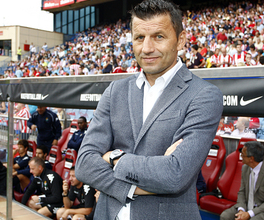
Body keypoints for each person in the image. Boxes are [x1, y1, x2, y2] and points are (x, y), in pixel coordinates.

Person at [75, 1, 223, 220]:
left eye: (159, 36)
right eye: (139, 38)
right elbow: (84, 164)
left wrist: (114, 157)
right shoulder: (116, 90)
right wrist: (130, 188)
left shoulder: (204, 95)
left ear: (180, 40)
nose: (147, 48)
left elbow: (175, 175)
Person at [220, 141, 264, 220]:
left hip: (261, 209)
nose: (240, 156)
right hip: (246, 206)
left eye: (243, 155)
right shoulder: (245, 168)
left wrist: (249, 213)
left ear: (251, 158)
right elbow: (241, 192)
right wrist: (241, 210)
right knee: (225, 216)